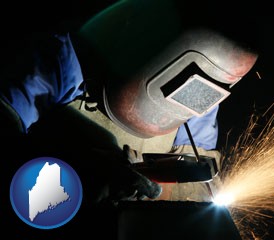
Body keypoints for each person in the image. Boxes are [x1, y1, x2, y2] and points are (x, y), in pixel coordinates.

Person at [0, 0, 257, 206]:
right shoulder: (61, 59)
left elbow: (199, 178)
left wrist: (171, 193)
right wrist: (77, 174)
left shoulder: (202, 91)